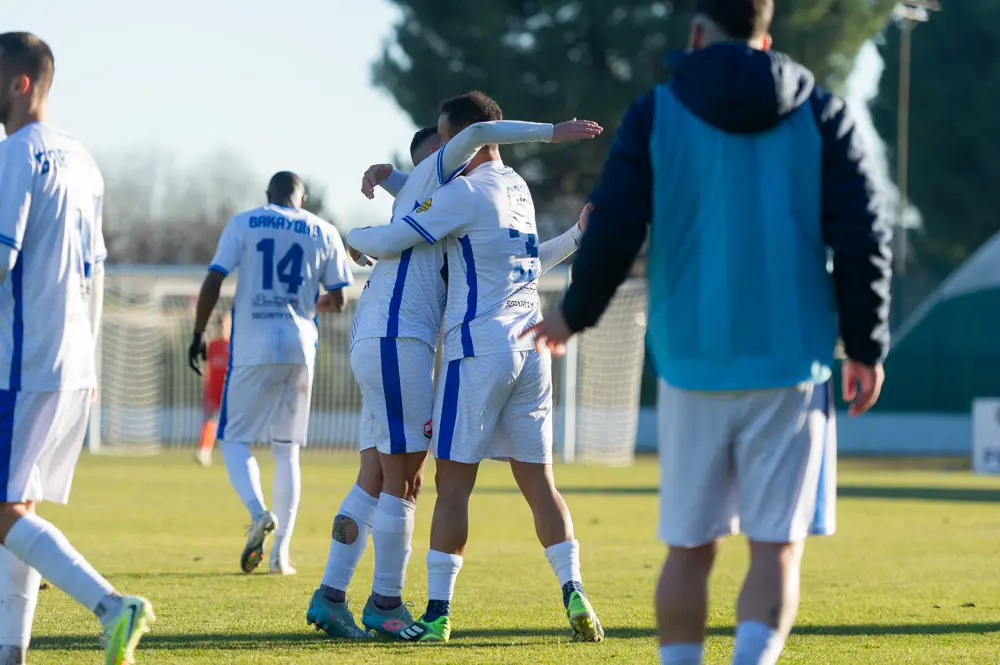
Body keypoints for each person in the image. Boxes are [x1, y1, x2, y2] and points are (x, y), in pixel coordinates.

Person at [523, 1, 893, 663]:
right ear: (766, 37)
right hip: (792, 362)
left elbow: (613, 224)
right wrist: (865, 345)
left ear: (697, 34)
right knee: (775, 546)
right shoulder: (822, 112)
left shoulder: (655, 113)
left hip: (691, 359)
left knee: (689, 551)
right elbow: (863, 234)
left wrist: (574, 313)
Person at [308, 109, 601, 639]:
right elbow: (424, 206)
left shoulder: (453, 197)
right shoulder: (514, 191)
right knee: (412, 479)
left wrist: (359, 231)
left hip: (432, 345)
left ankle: (354, 598)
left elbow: (404, 218)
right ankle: (388, 604)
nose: (446, 156)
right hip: (438, 342)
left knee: (392, 475)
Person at [0, 31, 154, 665]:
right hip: (73, 359)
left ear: (20, 83)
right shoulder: (83, 159)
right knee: (19, 511)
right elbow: (97, 267)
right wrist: (90, 365)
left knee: (6, 511)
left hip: (23, 359)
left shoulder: (16, 154)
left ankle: (111, 605)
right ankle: (12, 650)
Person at [188, 171, 353, 576]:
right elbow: (339, 300)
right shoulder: (323, 229)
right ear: (304, 197)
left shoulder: (245, 221)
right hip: (300, 348)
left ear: (268, 195)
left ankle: (258, 511)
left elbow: (214, 278)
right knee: (287, 450)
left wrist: (197, 333)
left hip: (253, 346)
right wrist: (303, 307)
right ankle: (281, 556)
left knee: (234, 439)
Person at [195, 313, 231, 467]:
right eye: (220, 325)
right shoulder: (213, 346)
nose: (222, 328)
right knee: (210, 421)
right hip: (214, 391)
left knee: (232, 424)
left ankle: (231, 453)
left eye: (224, 325)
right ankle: (204, 451)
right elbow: (208, 369)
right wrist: (206, 388)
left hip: (230, 391)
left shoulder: (235, 345)